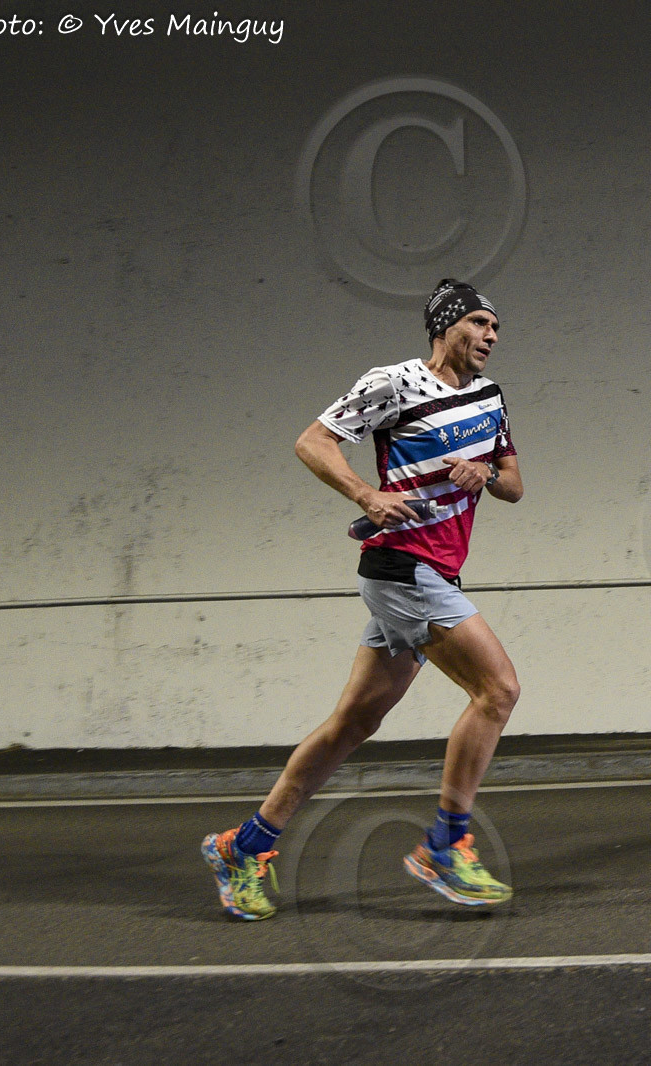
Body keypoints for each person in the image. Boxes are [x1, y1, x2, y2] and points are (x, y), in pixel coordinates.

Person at [202, 279, 523, 920]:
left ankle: (244, 846)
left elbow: (513, 484)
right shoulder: (395, 384)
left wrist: (485, 471)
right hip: (402, 567)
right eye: (479, 323)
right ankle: (446, 846)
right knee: (498, 690)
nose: (491, 336)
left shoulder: (489, 397)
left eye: (496, 328)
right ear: (446, 325)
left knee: (354, 723)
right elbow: (313, 441)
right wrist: (366, 496)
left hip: (435, 574)